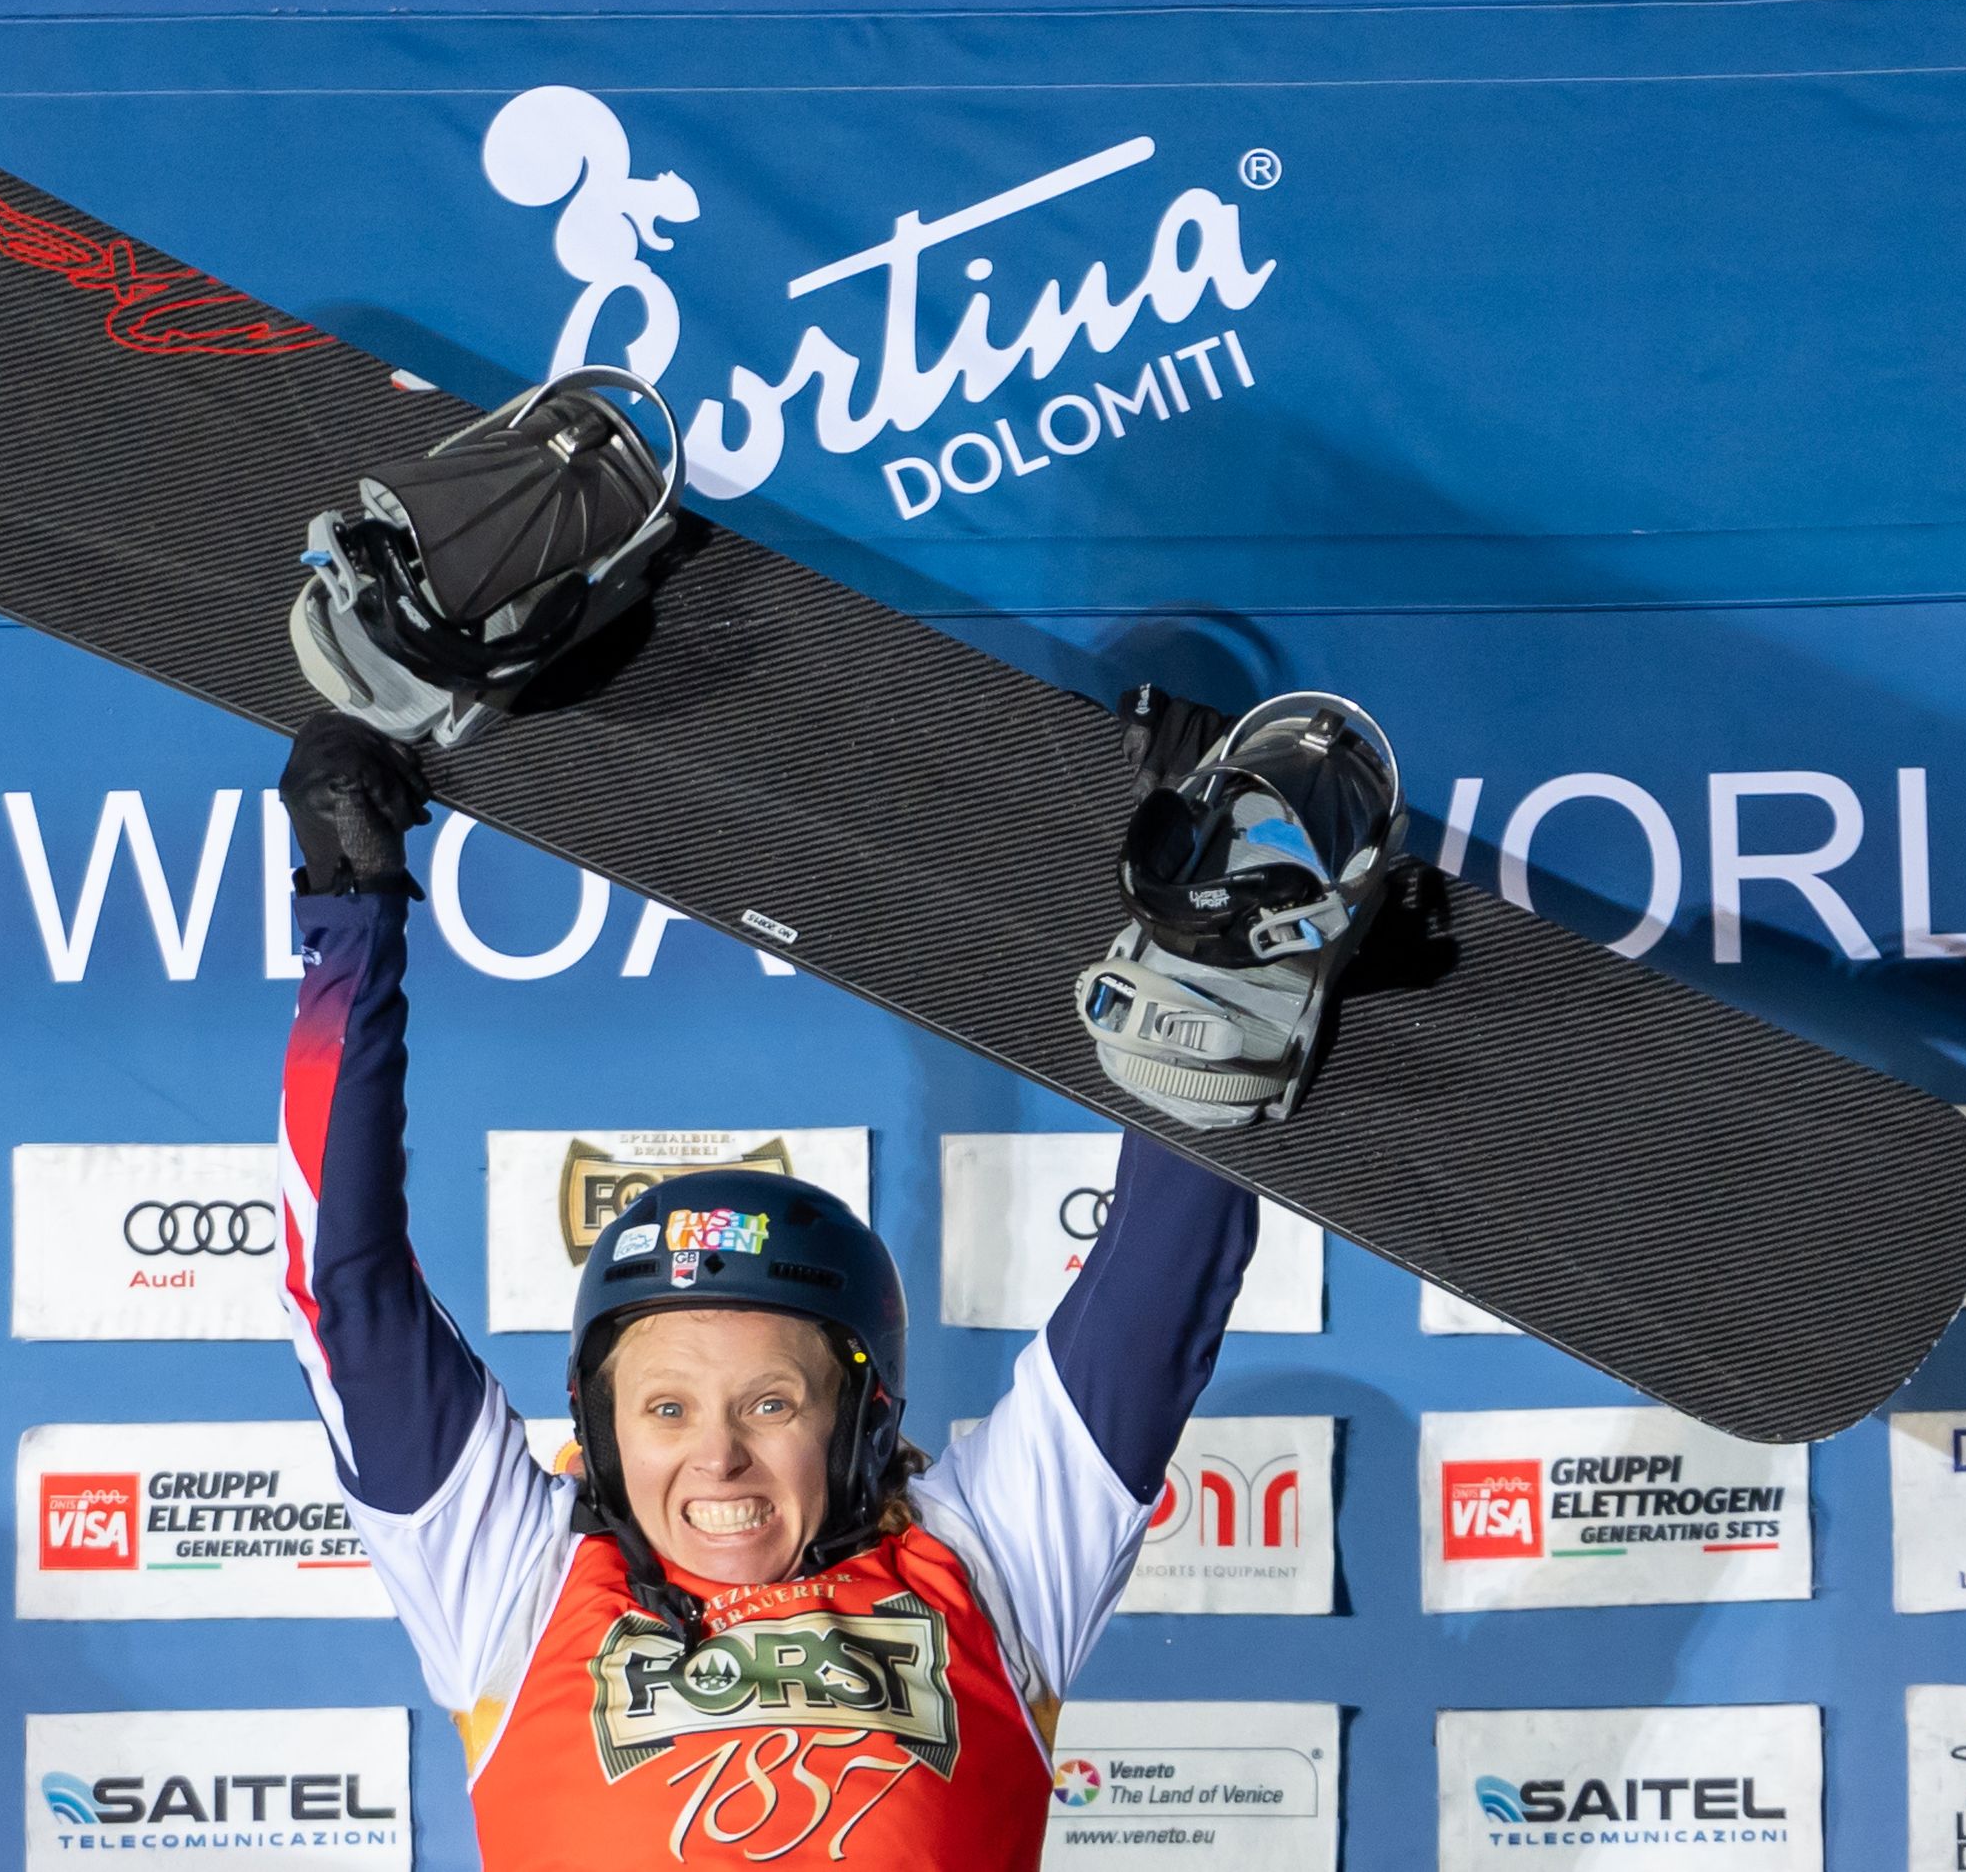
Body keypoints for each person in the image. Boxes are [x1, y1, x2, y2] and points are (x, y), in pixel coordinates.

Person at [271, 715, 1265, 1869]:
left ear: (863, 1418)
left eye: (772, 1403)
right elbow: (345, 1288)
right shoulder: (514, 1584)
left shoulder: (991, 1567)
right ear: (598, 1429)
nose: (718, 1458)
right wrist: (351, 906)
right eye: (666, 1408)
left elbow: (1162, 1275)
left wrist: (1196, 947)